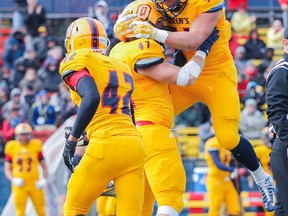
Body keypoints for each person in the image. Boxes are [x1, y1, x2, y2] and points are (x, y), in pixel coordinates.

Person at [115, 0, 276, 211]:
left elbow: (194, 40)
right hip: (186, 71)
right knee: (151, 118)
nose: (165, 4)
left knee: (227, 136)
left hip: (216, 74)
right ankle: (128, 173)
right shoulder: (155, 3)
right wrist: (122, 26)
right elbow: (125, 23)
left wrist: (154, 33)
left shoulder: (205, 3)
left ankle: (262, 178)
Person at [110, 1, 218, 215]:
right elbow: (186, 77)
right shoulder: (142, 48)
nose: (164, 27)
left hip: (130, 134)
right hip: (152, 131)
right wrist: (202, 52)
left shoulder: (116, 51)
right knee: (170, 198)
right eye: (158, 23)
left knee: (141, 205)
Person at [59, 17, 145, 216]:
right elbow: (127, 110)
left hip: (106, 146)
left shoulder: (78, 59)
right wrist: (88, 134)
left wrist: (72, 140)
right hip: (134, 146)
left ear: (74, 41)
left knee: (73, 209)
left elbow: (91, 98)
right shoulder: (120, 65)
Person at [265, 26, 288, 215]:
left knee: (282, 205)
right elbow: (276, 113)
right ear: (286, 43)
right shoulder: (282, 71)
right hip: (286, 143)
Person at [4, 122, 48, 216]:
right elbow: (7, 169)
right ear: (17, 135)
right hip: (20, 185)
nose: (24, 137)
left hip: (34, 183)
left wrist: (44, 179)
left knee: (41, 211)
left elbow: (44, 166)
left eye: (26, 134)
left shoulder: (36, 145)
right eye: (22, 135)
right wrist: (14, 179)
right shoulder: (12, 146)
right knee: (20, 212)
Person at [204, 135, 241, 216]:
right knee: (215, 208)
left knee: (235, 208)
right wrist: (234, 170)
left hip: (226, 179)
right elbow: (218, 164)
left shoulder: (226, 143)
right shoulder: (213, 143)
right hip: (215, 179)